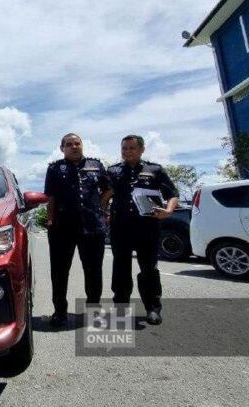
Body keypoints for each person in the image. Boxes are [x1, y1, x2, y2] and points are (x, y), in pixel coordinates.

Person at [105, 135, 179, 325]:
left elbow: (172, 193)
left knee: (149, 269)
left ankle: (153, 308)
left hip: (147, 227)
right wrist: (102, 212)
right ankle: (120, 308)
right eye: (124, 148)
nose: (127, 151)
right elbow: (104, 194)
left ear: (142, 150)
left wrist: (168, 211)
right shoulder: (113, 171)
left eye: (131, 148)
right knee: (121, 269)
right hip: (120, 228)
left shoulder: (154, 170)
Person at [44, 133, 111, 328]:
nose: (74, 147)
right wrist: (50, 219)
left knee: (93, 271)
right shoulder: (55, 168)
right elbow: (51, 196)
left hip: (92, 227)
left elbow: (108, 188)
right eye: (69, 144)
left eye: (77, 143)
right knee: (59, 272)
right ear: (62, 148)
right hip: (62, 228)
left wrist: (101, 207)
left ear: (82, 145)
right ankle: (59, 312)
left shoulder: (96, 165)